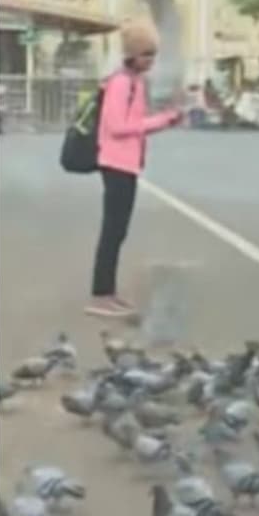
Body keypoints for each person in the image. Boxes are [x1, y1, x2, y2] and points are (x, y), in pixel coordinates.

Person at [86, 19, 185, 318]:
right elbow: (118, 126)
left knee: (118, 231)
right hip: (115, 163)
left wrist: (166, 119)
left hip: (126, 164)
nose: (150, 61)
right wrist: (161, 120)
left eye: (153, 55)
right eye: (146, 55)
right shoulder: (121, 83)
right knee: (112, 231)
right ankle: (100, 295)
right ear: (131, 55)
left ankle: (108, 292)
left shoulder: (135, 82)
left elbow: (133, 126)